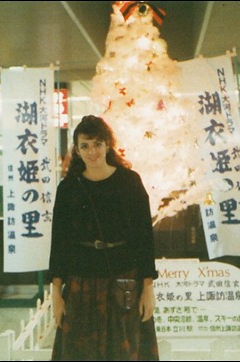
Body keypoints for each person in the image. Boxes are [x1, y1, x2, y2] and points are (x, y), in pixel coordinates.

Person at [48, 115, 159, 361]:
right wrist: (56, 292)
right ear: (76, 150)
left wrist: (148, 288)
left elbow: (144, 238)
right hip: (81, 282)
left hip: (124, 280)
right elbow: (59, 243)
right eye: (85, 146)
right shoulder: (68, 188)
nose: (92, 151)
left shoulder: (130, 182)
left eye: (97, 144)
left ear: (108, 144)